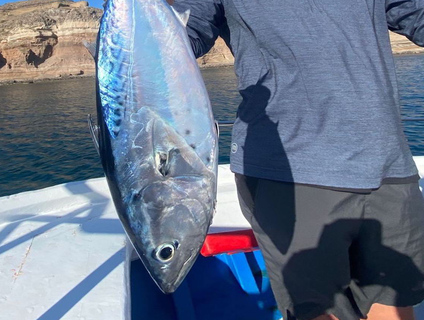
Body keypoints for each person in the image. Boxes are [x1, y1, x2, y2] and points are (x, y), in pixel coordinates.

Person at [168, 0, 424, 319]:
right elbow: (179, 38)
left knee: (394, 299)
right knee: (319, 310)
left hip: (390, 165)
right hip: (291, 173)